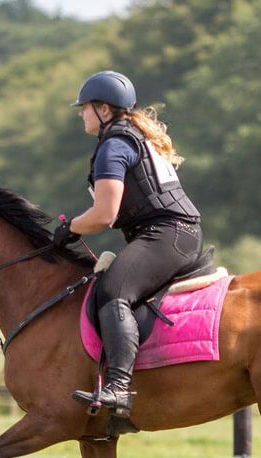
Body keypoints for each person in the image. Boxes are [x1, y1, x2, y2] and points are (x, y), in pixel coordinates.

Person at [55, 70, 203, 433]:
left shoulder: (114, 145)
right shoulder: (134, 137)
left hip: (165, 235)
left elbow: (104, 215)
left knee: (112, 291)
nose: (80, 114)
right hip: (176, 233)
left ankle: (119, 389)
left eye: (85, 107)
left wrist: (70, 227)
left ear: (104, 109)